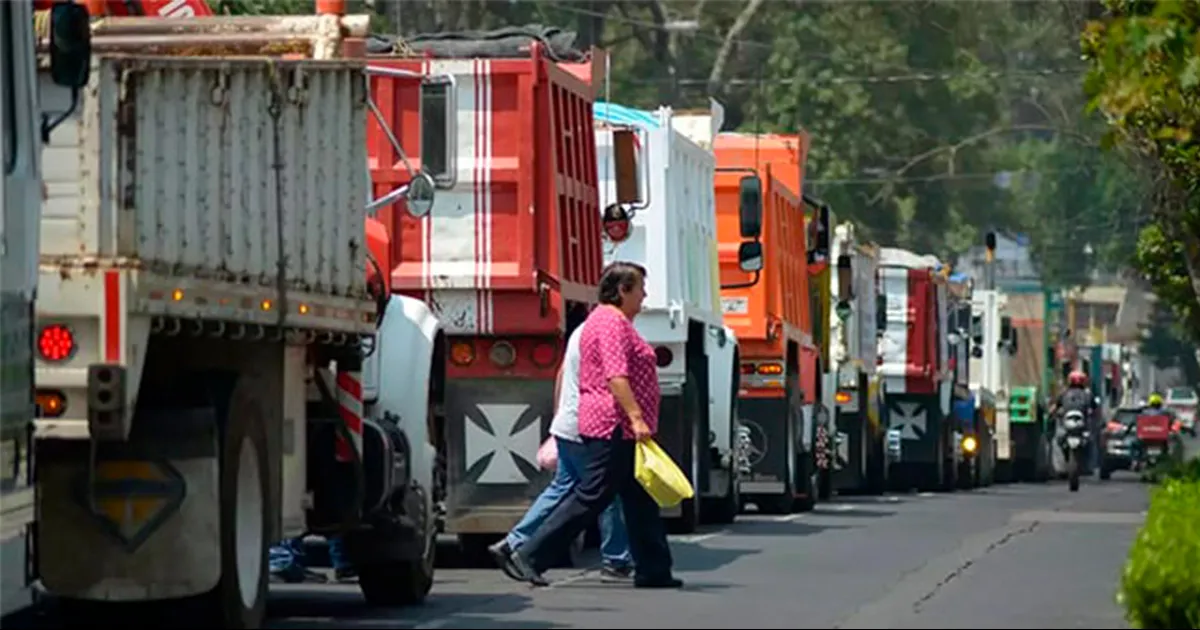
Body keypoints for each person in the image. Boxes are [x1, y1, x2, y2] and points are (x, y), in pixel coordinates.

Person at [506, 261, 681, 589]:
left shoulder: (607, 321)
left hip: (617, 425)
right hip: (612, 425)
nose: (645, 295)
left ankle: (654, 569)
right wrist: (637, 417)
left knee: (640, 499)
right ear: (622, 291)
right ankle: (531, 554)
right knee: (592, 495)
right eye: (640, 288)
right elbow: (616, 377)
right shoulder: (610, 324)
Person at [487, 321, 635, 581]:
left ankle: (513, 542)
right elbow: (615, 380)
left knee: (562, 487)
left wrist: (558, 420)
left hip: (568, 424)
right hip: (588, 427)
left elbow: (562, 373)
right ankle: (616, 559)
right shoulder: (606, 332)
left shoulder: (581, 333)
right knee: (607, 493)